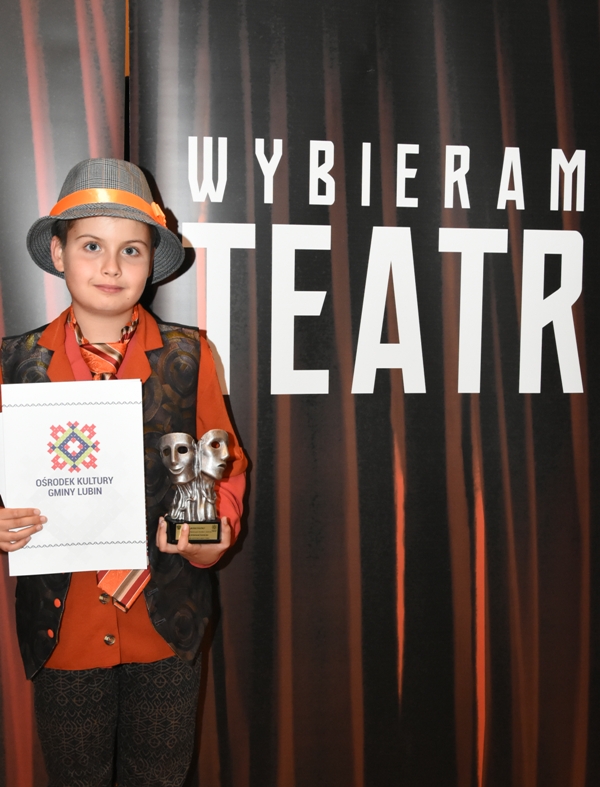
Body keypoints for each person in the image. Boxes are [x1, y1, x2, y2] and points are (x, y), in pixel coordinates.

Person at [0, 158, 247, 787]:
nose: (111, 267)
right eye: (91, 246)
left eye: (130, 250)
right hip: (64, 627)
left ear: (150, 263)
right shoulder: (14, 364)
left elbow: (221, 463)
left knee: (159, 775)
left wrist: (213, 531)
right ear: (59, 254)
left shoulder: (190, 356)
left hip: (166, 622)